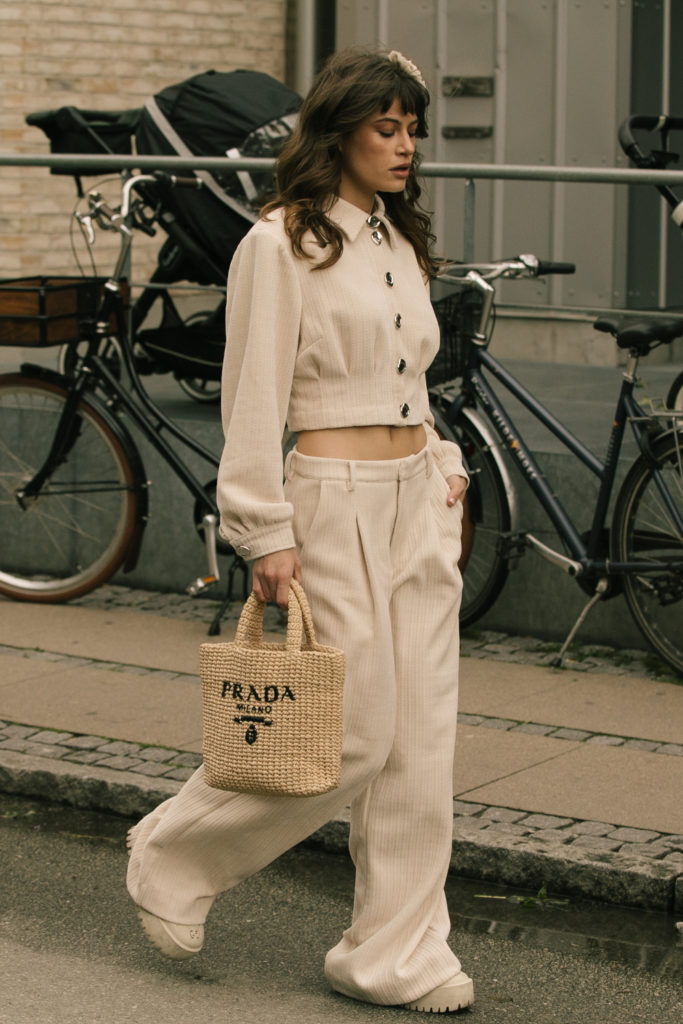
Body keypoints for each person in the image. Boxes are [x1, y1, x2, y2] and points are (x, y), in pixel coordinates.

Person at [126, 47, 473, 1014]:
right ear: (340, 131)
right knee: (351, 735)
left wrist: (443, 466)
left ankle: (394, 954)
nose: (405, 146)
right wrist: (261, 530)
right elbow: (252, 399)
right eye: (385, 127)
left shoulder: (394, 241)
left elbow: (411, 383)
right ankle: (171, 852)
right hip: (329, 501)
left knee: (420, 743)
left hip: (416, 497)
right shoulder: (279, 244)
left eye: (412, 129)